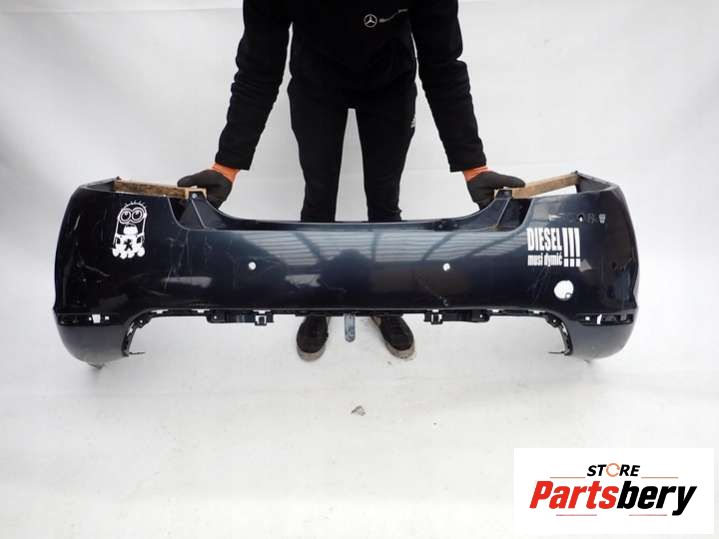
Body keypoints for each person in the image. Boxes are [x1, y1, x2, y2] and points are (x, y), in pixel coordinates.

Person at [179, 1, 525, 361]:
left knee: (385, 201)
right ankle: (318, 301)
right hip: (316, 82)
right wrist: (226, 166)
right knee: (318, 198)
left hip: (390, 82)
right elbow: (258, 68)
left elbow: (443, 65)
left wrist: (473, 167)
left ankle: (385, 300)